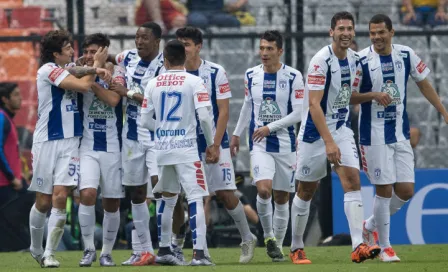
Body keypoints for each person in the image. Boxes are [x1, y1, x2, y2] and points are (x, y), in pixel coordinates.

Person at [351, 14, 448, 262]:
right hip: (373, 135)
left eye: (381, 32)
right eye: (372, 33)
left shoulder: (406, 55)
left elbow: (424, 83)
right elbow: (348, 96)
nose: (376, 37)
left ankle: (370, 225)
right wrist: (372, 95)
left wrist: (443, 111)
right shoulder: (361, 60)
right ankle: (385, 247)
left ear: (391, 32)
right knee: (383, 190)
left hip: (400, 133)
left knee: (405, 190)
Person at [291, 11, 383, 265]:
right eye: (340, 28)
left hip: (341, 129)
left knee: (352, 180)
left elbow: (346, 97)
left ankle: (358, 246)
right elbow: (314, 104)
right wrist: (328, 142)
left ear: (354, 32)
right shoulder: (321, 61)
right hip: (314, 133)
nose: (345, 33)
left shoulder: (354, 59)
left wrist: (372, 95)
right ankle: (297, 246)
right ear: (331, 32)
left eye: (349, 28)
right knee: (307, 190)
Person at [28, 29, 110, 268]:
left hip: (72, 141)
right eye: (67, 48)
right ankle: (35, 246)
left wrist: (92, 66)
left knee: (61, 195)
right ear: (56, 53)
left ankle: (50, 253)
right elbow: (83, 86)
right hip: (47, 141)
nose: (72, 51)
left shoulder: (67, 67)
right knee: (43, 201)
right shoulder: (47, 70)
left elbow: (77, 70)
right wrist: (96, 66)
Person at [175, 26, 257, 264]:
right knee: (190, 197)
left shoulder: (215, 72)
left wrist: (214, 144)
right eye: (180, 43)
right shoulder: (173, 72)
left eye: (187, 44)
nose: (183, 48)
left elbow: (223, 112)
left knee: (225, 193)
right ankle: (189, 248)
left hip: (214, 143)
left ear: (199, 46)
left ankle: (246, 237)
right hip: (186, 144)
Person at [141, 39, 217, 266]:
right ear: (184, 58)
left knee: (168, 197)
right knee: (195, 196)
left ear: (164, 58)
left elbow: (145, 120)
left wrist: (163, 130)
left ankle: (164, 249)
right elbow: (204, 117)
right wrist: (211, 143)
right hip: (186, 148)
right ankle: (199, 253)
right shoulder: (194, 81)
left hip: (162, 149)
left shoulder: (153, 83)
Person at [231, 30, 305, 262]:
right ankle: (269, 237)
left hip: (285, 145)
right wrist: (236, 134)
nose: (264, 53)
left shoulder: (293, 76)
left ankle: (278, 248)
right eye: (262, 48)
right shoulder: (251, 75)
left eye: (269, 49)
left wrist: (270, 127)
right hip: (259, 143)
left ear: (279, 51)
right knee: (263, 189)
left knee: (282, 198)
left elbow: (299, 112)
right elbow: (246, 106)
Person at [107, 22, 164, 266]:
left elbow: (156, 100)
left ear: (157, 41)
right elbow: (111, 56)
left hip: (155, 137)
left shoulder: (165, 65)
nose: (139, 42)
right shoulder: (128, 57)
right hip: (131, 137)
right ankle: (143, 250)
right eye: (137, 37)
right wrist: (94, 57)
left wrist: (127, 92)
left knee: (160, 189)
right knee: (136, 192)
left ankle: (170, 246)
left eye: (145, 38)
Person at [76, 33, 125, 267]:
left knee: (112, 202)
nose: (87, 56)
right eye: (85, 51)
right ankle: (88, 249)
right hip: (87, 145)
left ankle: (106, 252)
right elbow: (68, 73)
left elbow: (114, 100)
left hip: (112, 146)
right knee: (87, 194)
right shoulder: (78, 70)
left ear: (104, 52)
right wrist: (92, 73)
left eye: (93, 52)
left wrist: (93, 82)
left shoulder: (118, 73)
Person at [0, 83, 23, 207]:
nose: (20, 98)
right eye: (15, 95)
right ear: (5, 99)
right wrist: (12, 178)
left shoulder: (8, 118)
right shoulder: (2, 118)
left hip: (11, 183)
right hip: (4, 185)